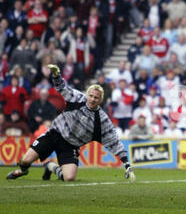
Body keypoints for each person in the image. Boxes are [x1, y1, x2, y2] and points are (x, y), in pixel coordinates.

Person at [6, 65, 135, 182]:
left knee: (69, 178)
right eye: (91, 96)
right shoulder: (78, 98)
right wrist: (56, 75)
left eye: (96, 98)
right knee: (25, 160)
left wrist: (126, 164)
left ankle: (51, 167)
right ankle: (23, 171)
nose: (92, 99)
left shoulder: (102, 119)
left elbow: (114, 141)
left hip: (71, 146)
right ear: (87, 94)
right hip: (54, 134)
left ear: (100, 100)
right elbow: (62, 88)